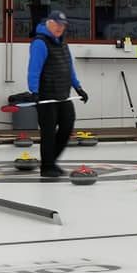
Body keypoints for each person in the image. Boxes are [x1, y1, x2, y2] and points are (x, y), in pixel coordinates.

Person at [26, 11, 88, 178]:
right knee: (48, 132)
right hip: (46, 96)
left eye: (63, 25)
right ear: (50, 23)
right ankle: (47, 167)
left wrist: (78, 88)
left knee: (68, 124)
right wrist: (34, 91)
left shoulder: (62, 43)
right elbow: (34, 70)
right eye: (58, 25)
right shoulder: (40, 43)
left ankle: (51, 161)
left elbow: (69, 68)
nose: (61, 28)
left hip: (63, 94)